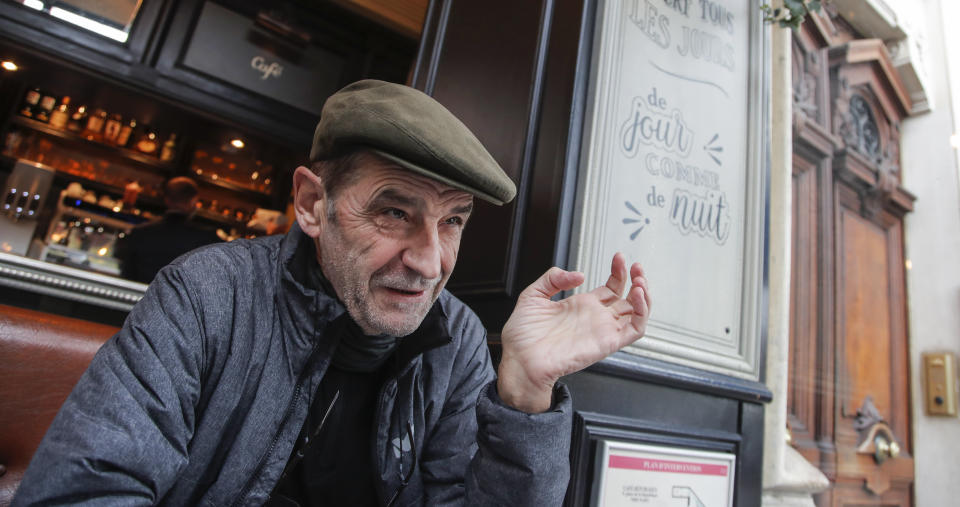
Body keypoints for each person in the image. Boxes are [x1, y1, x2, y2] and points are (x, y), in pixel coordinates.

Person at [13, 80, 651, 506]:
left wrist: (524, 393)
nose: (430, 262)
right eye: (394, 213)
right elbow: (84, 489)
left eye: (452, 220)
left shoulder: (454, 341)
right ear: (313, 203)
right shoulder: (210, 295)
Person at [114, 176, 221, 283]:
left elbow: (126, 274)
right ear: (193, 201)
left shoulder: (140, 232)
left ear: (167, 200)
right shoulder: (208, 239)